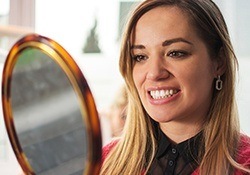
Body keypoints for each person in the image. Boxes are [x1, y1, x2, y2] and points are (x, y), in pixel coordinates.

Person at [101, 0, 250, 175]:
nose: (154, 73)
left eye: (176, 53)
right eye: (140, 57)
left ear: (219, 63)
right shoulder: (105, 162)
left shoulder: (245, 165)